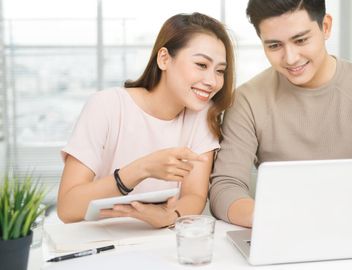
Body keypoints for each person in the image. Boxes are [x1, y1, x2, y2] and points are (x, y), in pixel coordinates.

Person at [209, 0, 352, 227]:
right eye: (274, 46)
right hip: (281, 229)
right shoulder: (248, 100)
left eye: (301, 40)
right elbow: (225, 187)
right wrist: (276, 220)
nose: (290, 58)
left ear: (325, 27)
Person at [57, 12, 235, 228]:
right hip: (101, 240)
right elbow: (67, 208)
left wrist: (171, 216)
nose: (212, 81)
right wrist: (140, 170)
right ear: (164, 59)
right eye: (201, 65)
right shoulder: (107, 106)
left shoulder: (201, 116)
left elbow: (195, 195)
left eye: (220, 71)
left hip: (159, 241)